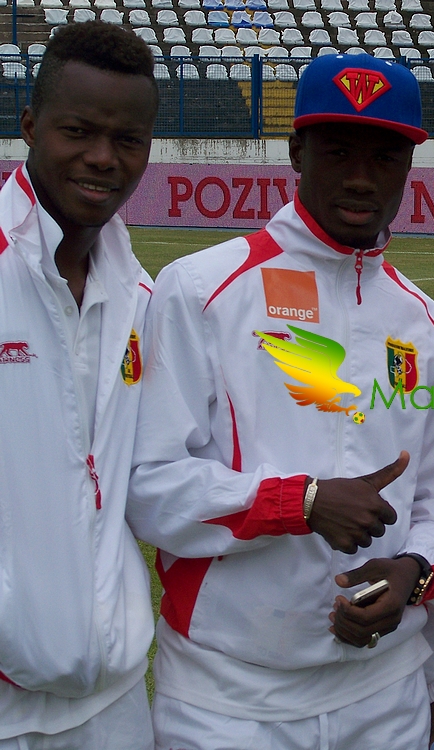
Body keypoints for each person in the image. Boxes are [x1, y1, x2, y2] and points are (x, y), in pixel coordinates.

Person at [127, 54, 434, 749]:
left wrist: (412, 573)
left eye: (384, 156)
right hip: (226, 701)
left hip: (384, 696)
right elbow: (150, 485)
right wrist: (303, 502)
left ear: (409, 165)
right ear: (296, 152)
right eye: (338, 151)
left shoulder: (426, 324)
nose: (361, 177)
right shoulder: (200, 289)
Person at [0, 21, 159, 749]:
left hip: (114, 702)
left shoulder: (141, 297)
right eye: (78, 131)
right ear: (30, 125)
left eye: (128, 139)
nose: (103, 158)